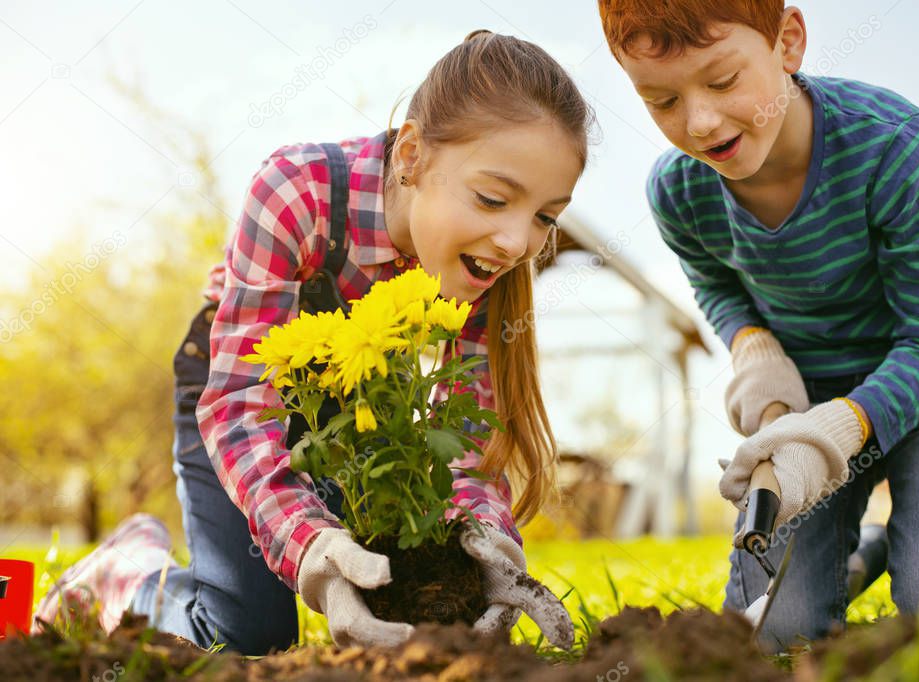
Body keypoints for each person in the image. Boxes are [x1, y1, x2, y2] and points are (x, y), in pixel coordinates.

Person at [34, 30, 592, 655]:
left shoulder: (484, 261)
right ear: (411, 155)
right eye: (494, 198)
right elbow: (241, 400)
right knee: (245, 636)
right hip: (244, 391)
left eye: (546, 215)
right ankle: (121, 578)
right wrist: (314, 549)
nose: (518, 242)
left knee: (424, 590)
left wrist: (483, 539)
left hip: (364, 403)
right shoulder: (298, 190)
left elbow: (467, 432)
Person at [597, 0, 919, 651]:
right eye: (660, 99)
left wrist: (838, 429)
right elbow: (718, 286)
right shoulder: (679, 192)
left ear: (787, 41)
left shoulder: (890, 145)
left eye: (721, 80)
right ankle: (863, 559)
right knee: (774, 632)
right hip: (811, 394)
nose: (700, 122)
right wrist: (757, 357)